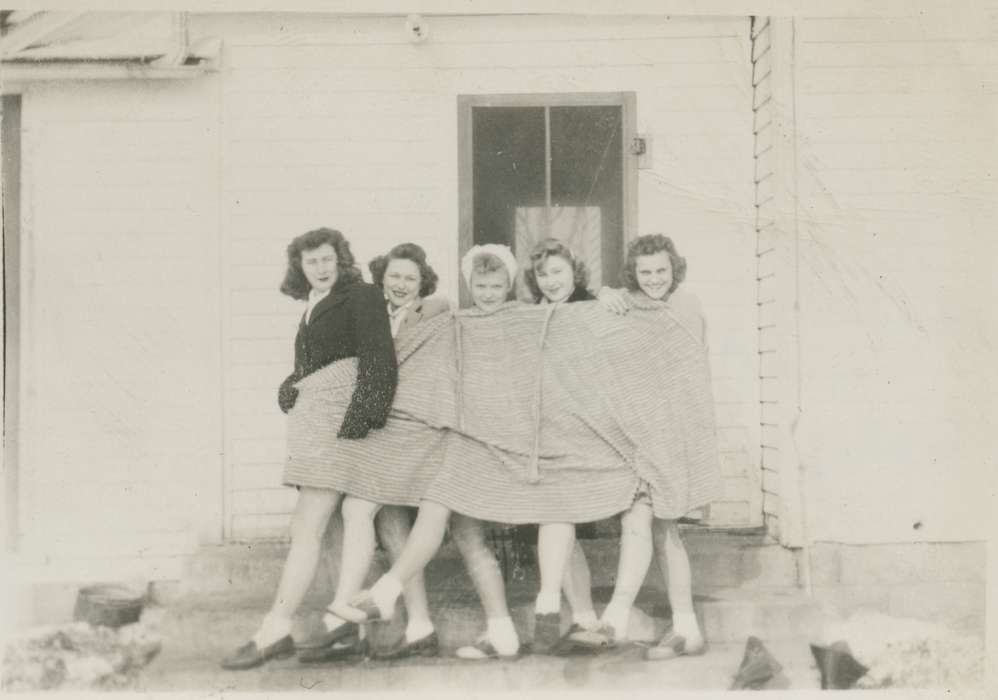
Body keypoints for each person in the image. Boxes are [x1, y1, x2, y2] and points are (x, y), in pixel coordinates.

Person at [221, 227, 398, 670]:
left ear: (340, 260)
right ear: (299, 267)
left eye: (326, 259)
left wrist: (362, 418)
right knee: (321, 526)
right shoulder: (311, 306)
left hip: (342, 425)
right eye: (310, 261)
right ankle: (339, 623)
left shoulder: (361, 295)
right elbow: (320, 362)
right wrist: (292, 384)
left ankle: (276, 628)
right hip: (319, 424)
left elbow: (378, 358)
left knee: (308, 524)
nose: (319, 268)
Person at [339, 245, 527, 660]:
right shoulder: (454, 319)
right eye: (480, 285)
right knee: (397, 515)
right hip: (405, 436)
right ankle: (437, 626)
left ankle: (390, 593)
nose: (489, 292)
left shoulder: (446, 313)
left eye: (497, 285)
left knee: (460, 525)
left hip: (467, 435)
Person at [308, 243, 450, 662]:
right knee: (391, 526)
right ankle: (421, 625)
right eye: (393, 277)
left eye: (410, 277)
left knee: (356, 510)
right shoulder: (370, 316)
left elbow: (446, 308)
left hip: (413, 431)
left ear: (421, 282)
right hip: (380, 431)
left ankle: (343, 611)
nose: (401, 285)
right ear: (381, 280)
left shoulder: (433, 311)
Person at [572, 234, 711, 660]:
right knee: (647, 523)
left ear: (675, 270)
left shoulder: (684, 306)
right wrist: (605, 296)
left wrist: (616, 298)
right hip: (640, 434)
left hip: (674, 433)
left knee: (660, 526)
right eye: (645, 272)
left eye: (661, 271)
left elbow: (678, 369)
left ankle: (626, 619)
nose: (654, 280)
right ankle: (674, 626)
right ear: (635, 273)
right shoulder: (630, 305)